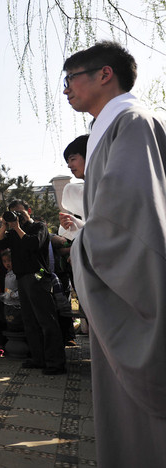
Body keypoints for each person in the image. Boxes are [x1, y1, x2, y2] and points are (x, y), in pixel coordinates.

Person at [62, 41, 166, 465]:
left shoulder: (133, 121)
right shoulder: (114, 127)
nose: (65, 90)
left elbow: (129, 228)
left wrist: (81, 248)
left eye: (71, 79)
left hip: (133, 290)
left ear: (105, 74)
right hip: (117, 284)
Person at [0, 199, 66, 375]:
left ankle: (56, 363)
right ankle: (38, 358)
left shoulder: (39, 227)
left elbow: (33, 244)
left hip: (38, 276)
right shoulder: (12, 232)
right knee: (30, 321)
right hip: (22, 278)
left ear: (29, 211)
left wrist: (17, 227)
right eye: (14, 213)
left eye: (20, 212)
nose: (17, 216)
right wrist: (5, 224)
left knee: (46, 321)